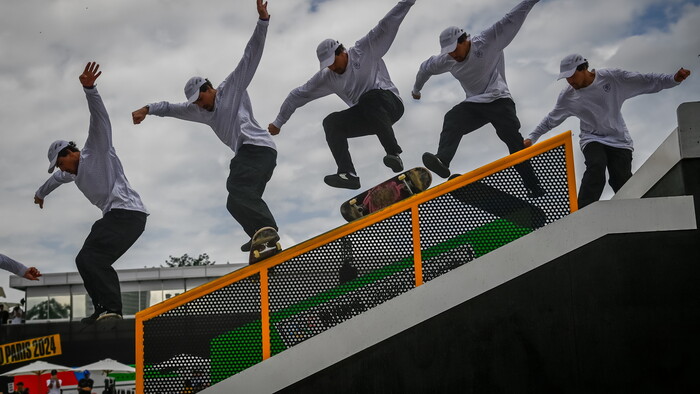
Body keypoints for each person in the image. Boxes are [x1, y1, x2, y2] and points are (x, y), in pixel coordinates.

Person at [131, 0, 279, 254]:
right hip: (255, 157)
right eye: (195, 103)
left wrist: (262, 21)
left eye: (201, 99)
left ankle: (267, 228)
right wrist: (147, 109)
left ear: (210, 89)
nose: (199, 106)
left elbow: (250, 56)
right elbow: (170, 107)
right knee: (234, 202)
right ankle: (259, 235)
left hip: (257, 149)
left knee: (235, 185)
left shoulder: (232, 88)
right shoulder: (197, 110)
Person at [34, 62, 149, 324]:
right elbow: (53, 181)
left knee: (92, 256)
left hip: (126, 213)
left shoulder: (95, 149)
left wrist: (90, 89)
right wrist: (40, 194)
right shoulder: (68, 173)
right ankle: (104, 309)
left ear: (69, 154)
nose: (62, 170)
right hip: (122, 219)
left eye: (61, 163)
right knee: (86, 260)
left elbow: (100, 118)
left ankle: (112, 307)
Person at [268, 0, 417, 190]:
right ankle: (348, 174)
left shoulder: (364, 49)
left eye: (333, 61)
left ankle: (393, 154)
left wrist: (408, 2)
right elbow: (297, 95)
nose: (332, 67)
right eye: (327, 64)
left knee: (368, 98)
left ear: (342, 51)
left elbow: (387, 24)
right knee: (331, 122)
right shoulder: (327, 77)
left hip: (390, 104)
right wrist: (279, 122)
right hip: (368, 116)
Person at [413, 0, 543, 198]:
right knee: (453, 118)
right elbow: (425, 69)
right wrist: (416, 89)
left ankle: (533, 186)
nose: (453, 55)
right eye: (448, 52)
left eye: (455, 49)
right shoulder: (446, 60)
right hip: (475, 103)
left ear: (464, 40)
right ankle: (443, 160)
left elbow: (512, 18)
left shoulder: (489, 40)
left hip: (499, 99)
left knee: (513, 141)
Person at [525, 54, 691, 208]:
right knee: (596, 166)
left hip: (619, 140)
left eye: (572, 76)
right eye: (566, 78)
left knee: (621, 180)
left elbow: (644, 80)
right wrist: (532, 138)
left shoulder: (612, 78)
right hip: (592, 138)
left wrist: (673, 79)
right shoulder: (567, 96)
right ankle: (582, 212)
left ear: (583, 69)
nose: (570, 81)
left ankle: (634, 210)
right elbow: (551, 119)